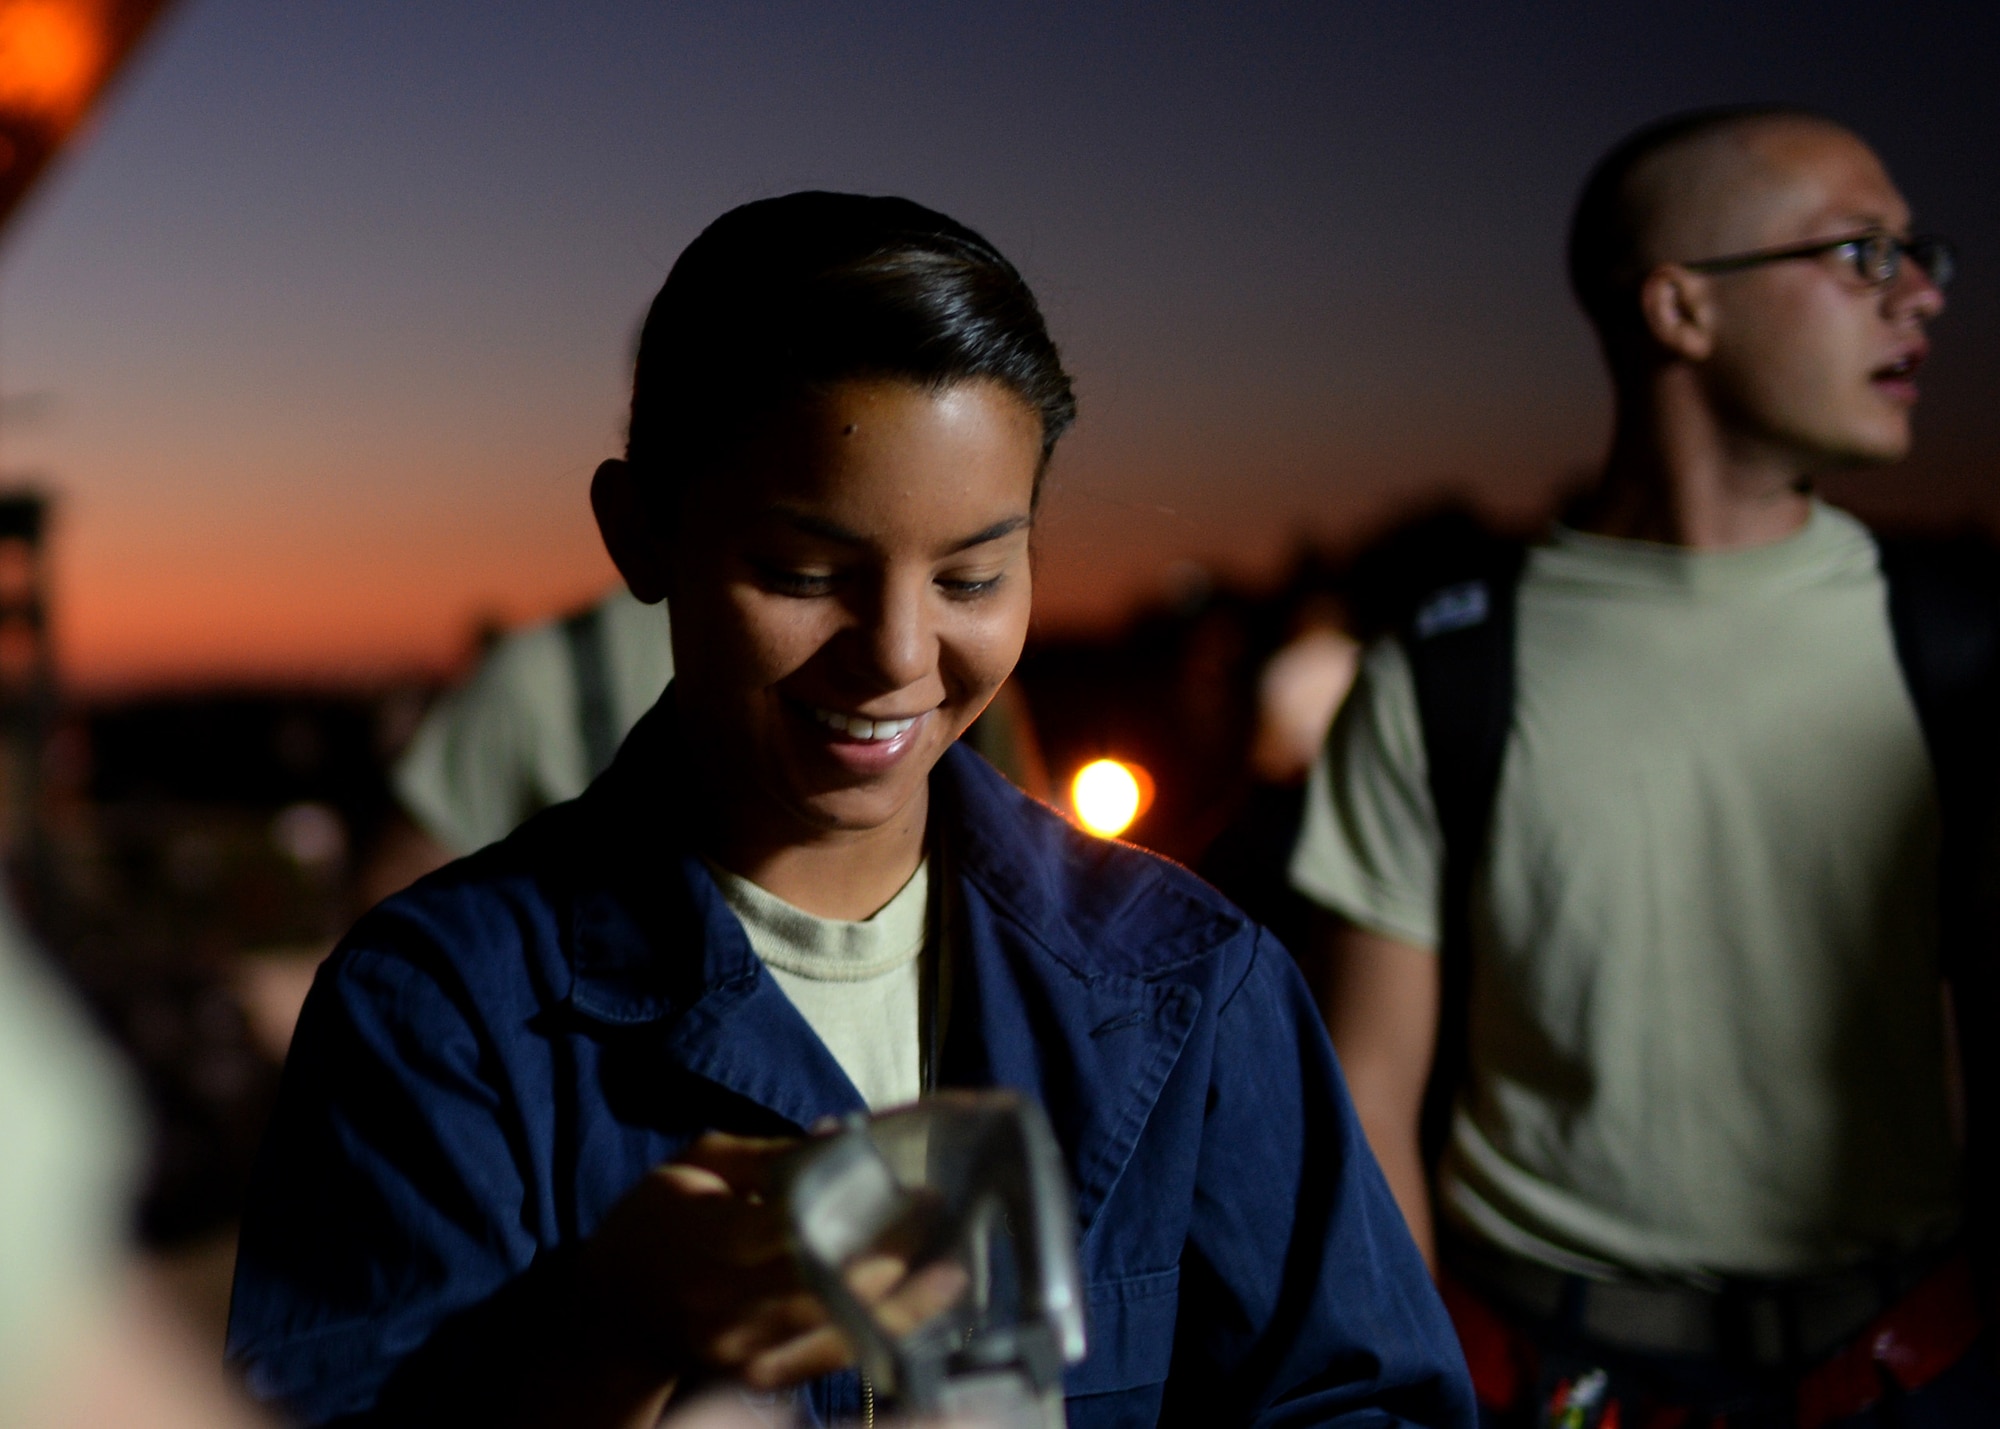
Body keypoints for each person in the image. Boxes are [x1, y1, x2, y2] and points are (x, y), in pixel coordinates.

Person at [226, 191, 1474, 1429]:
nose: (894, 652)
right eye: (804, 574)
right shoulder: (439, 1014)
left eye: (971, 576)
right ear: (640, 533)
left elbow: (1364, 1400)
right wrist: (604, 1335)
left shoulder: (1189, 981)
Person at [1290, 107, 1996, 1426]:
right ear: (1678, 310)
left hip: (1908, 1366)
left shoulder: (1955, 646)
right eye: (1858, 254)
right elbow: (1370, 1092)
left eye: (1920, 253)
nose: (1921, 297)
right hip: (1556, 1379)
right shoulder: (1444, 674)